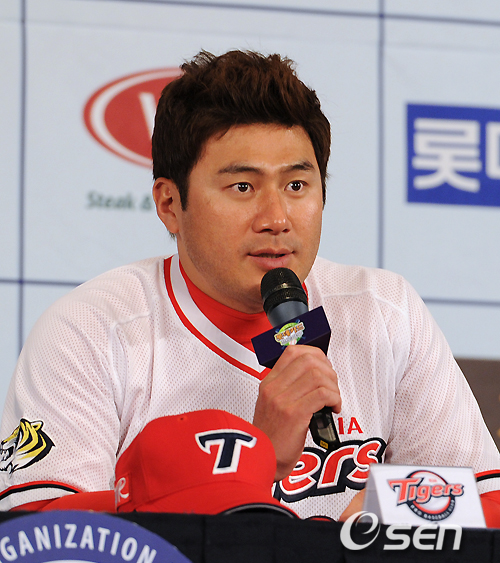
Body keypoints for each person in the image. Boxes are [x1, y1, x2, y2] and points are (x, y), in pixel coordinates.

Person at [1, 50, 499, 524]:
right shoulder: (91, 329)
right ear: (170, 204)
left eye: (296, 185)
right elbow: (40, 536)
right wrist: (256, 461)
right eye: (243, 187)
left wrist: (387, 511)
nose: (276, 218)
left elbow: (486, 502)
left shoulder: (384, 310)